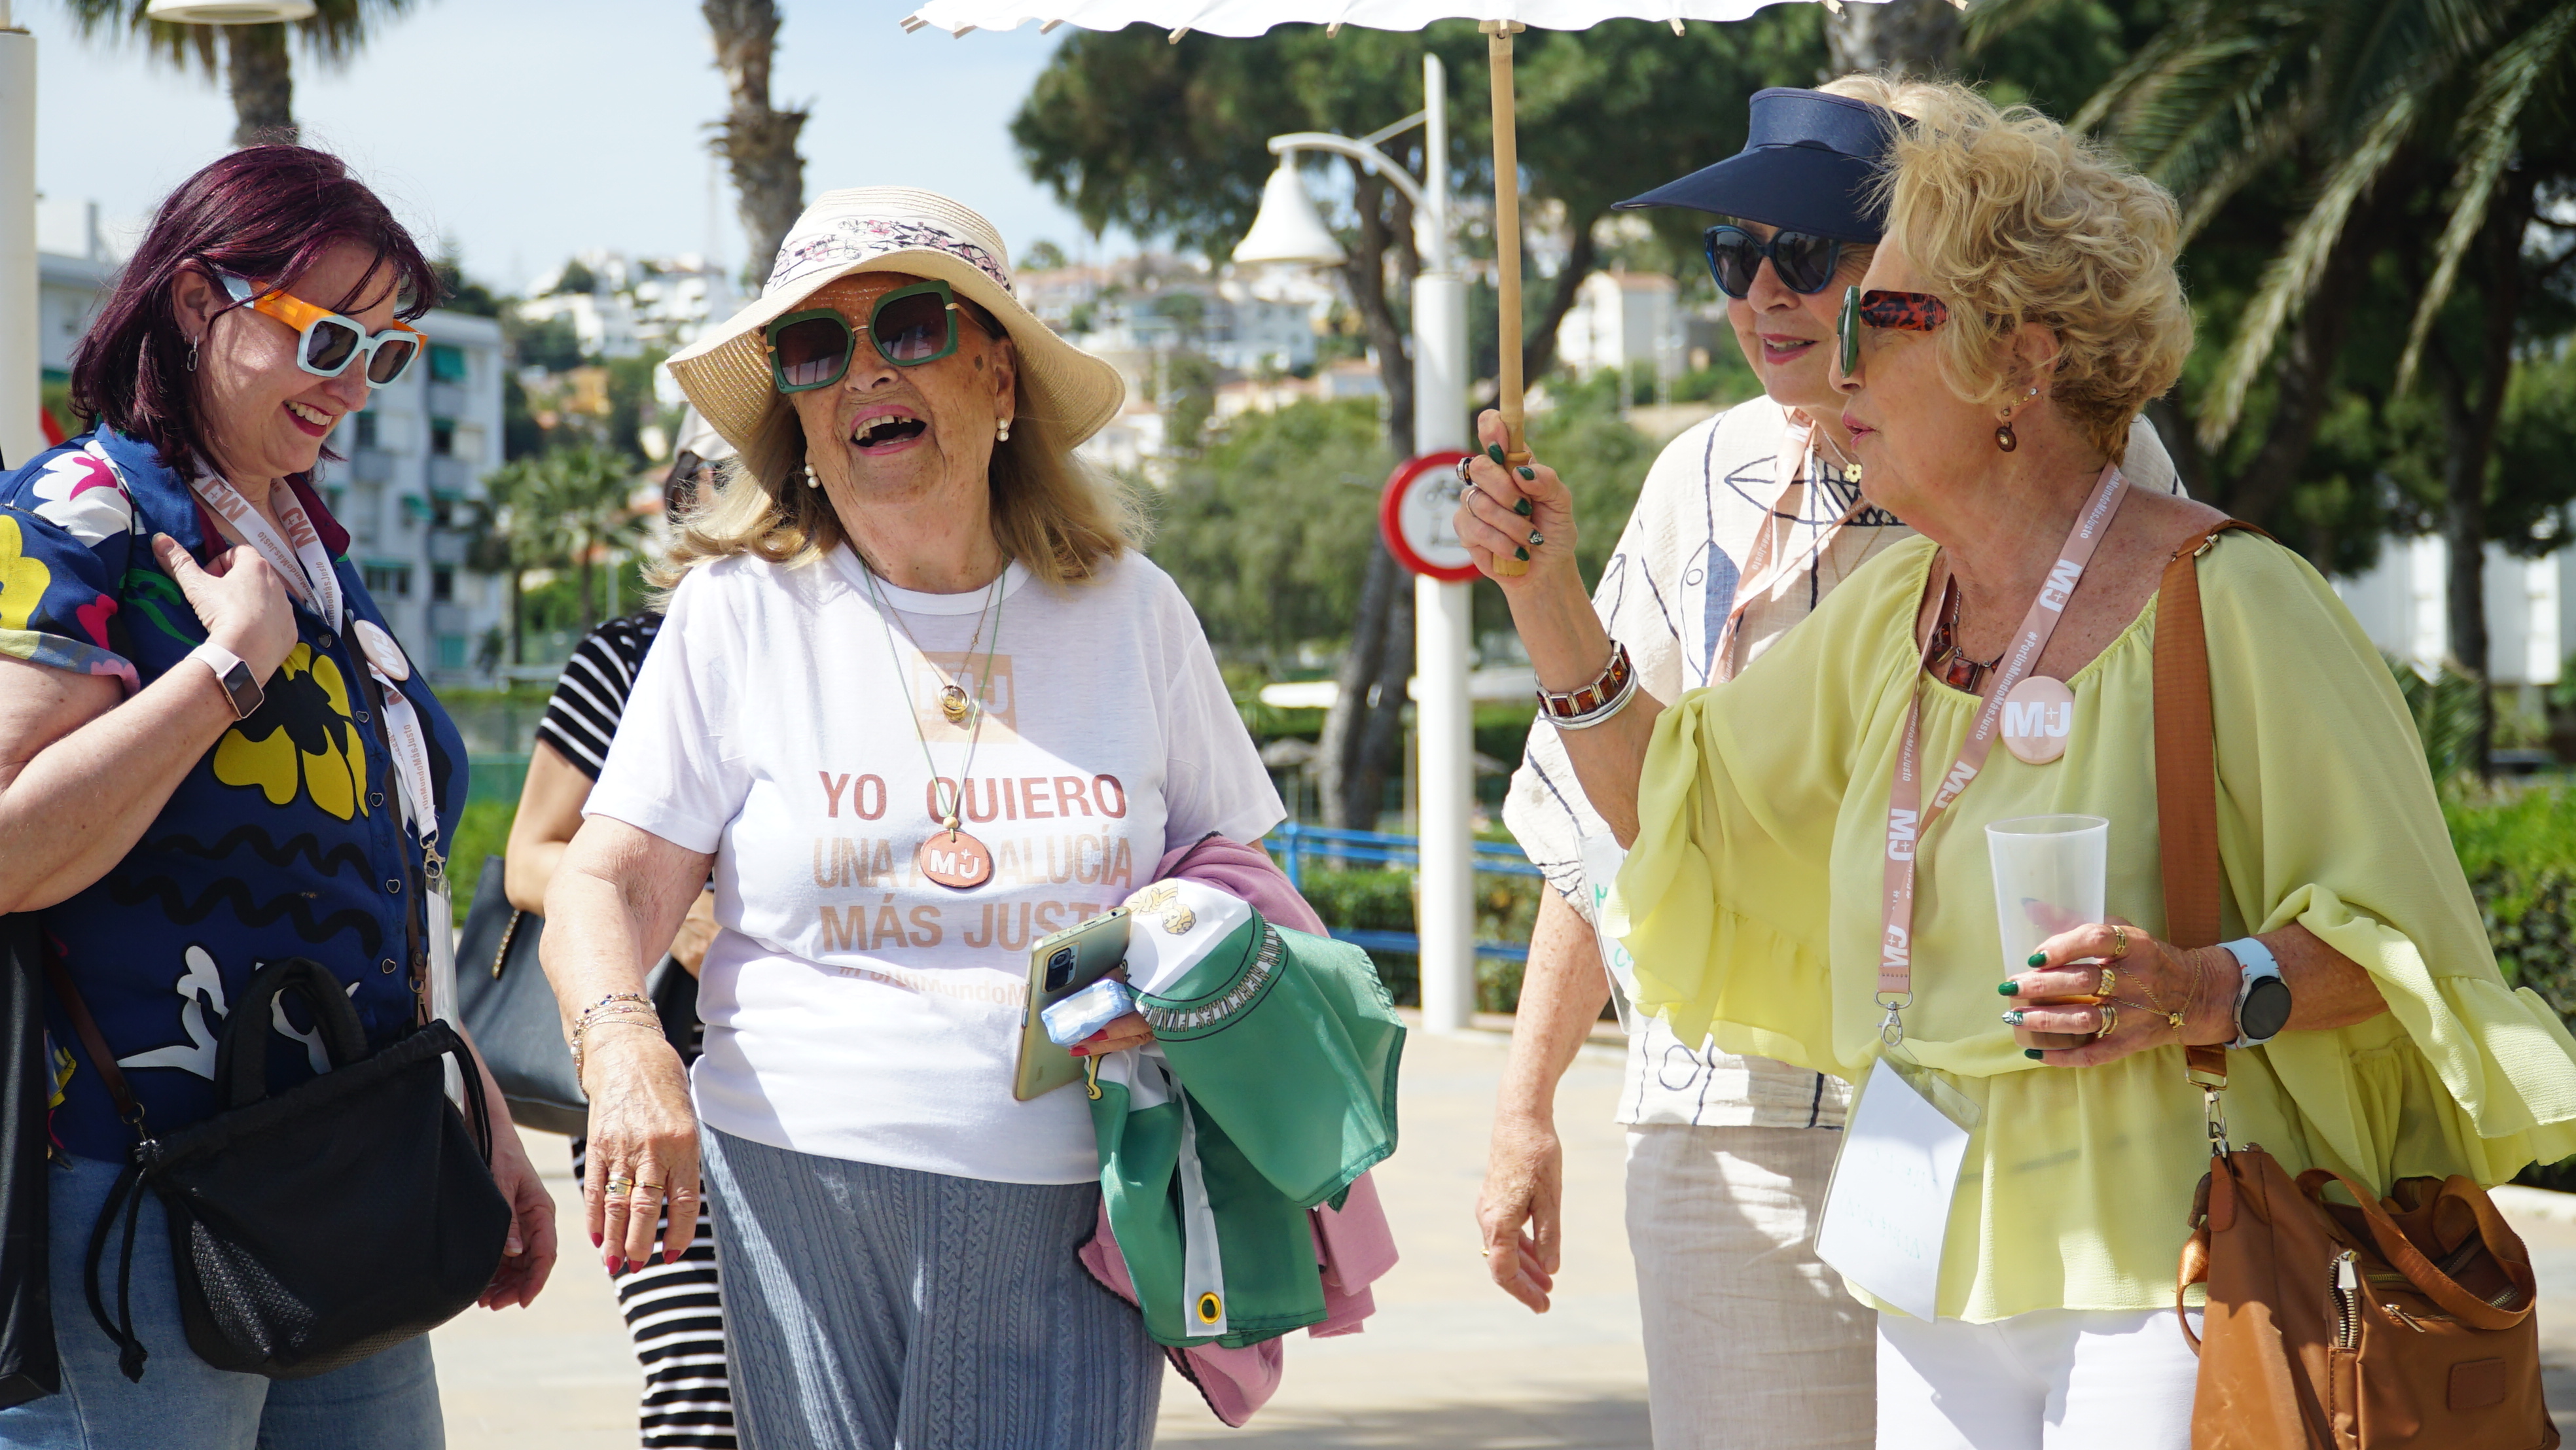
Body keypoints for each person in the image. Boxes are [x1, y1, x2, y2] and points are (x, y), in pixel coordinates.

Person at [1458, 83, 2576, 1448]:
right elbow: (1675, 809)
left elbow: (2414, 953)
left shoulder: (2232, 599)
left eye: (1888, 317)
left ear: (2024, 362)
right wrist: (1542, 591)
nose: (1842, 361)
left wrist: (2207, 987)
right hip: (1934, 1253)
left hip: (2174, 1260)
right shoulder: (1897, 614)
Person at [1477, 79, 2181, 1449]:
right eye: (1730, 255)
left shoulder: (2090, 461)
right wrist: (1522, 1105)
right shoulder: (1697, 474)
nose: (1759, 294)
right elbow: (1617, 810)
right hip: (1719, 1117)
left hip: (1980, 1101)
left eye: (1804, 252)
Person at [539, 188, 1285, 1449]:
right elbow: (599, 883)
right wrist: (624, 1053)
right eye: (818, 352)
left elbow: (1240, 871)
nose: (865, 372)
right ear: (799, 421)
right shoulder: (738, 613)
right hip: (793, 1184)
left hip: (1073, 1196)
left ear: (1000, 376)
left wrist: (1179, 967)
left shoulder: (1132, 610)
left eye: (915, 327)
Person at [0, 145, 555, 1447]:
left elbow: (374, 871)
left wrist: (462, 1093)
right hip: (135, 1189)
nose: (355, 384)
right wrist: (224, 673)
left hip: (343, 1159)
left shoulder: (299, 549)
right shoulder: (85, 515)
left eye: (388, 353)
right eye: (330, 337)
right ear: (199, 303)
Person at [503, 429, 735, 1450]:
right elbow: (532, 857)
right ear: (688, 495)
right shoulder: (630, 657)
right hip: (651, 1073)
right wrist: (675, 907)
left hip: (818, 1083)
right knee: (698, 1393)